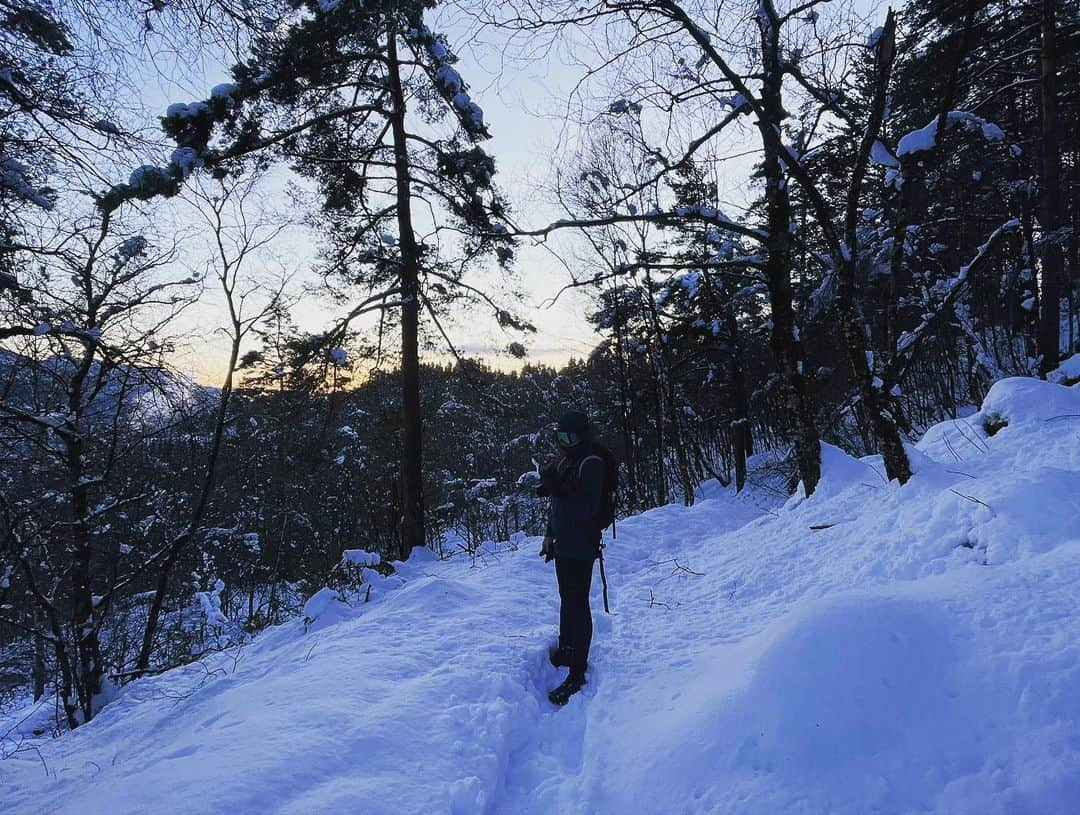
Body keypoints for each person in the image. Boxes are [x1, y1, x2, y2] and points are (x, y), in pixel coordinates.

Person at [537, 409, 605, 706]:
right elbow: (558, 507)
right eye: (560, 436)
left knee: (578, 604)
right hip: (564, 544)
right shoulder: (567, 461)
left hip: (582, 545)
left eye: (570, 436)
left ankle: (577, 671)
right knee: (567, 598)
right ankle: (566, 649)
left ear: (583, 436)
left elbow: (587, 510)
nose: (564, 442)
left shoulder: (591, 465)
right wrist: (550, 535)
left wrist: (559, 490)